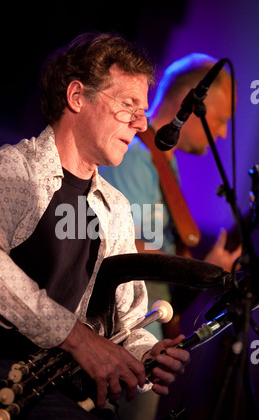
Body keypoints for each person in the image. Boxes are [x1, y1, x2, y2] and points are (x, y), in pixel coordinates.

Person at [0, 32, 189, 420]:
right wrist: (77, 338)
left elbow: (127, 325)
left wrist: (147, 357)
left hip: (61, 394)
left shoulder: (116, 208)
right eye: (128, 106)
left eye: (143, 110)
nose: (142, 123)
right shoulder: (11, 170)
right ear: (77, 96)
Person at [101, 53, 242, 339]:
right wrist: (199, 270)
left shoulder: (164, 162)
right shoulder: (134, 155)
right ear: (189, 107)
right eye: (219, 119)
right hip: (120, 330)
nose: (223, 132)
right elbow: (124, 246)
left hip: (146, 328)